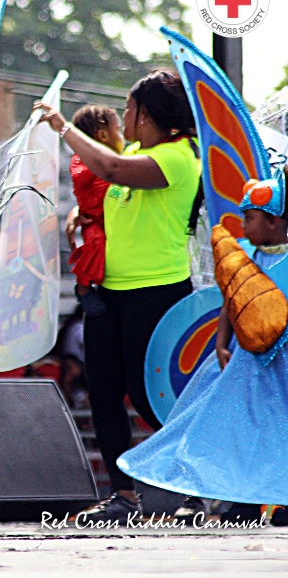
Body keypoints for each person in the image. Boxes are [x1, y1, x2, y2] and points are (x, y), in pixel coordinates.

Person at [35, 69, 200, 524]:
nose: (122, 117)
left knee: (153, 398)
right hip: (109, 293)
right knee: (104, 393)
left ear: (146, 114)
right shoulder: (134, 150)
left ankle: (193, 491)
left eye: (128, 108)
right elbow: (102, 189)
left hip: (159, 292)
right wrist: (81, 222)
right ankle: (123, 496)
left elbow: (107, 168)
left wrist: (64, 127)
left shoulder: (180, 158)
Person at [118, 172, 288, 525]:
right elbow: (231, 300)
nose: (243, 225)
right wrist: (221, 342)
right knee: (233, 431)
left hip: (280, 367)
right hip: (243, 366)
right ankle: (239, 501)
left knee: (277, 433)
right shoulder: (248, 256)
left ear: (273, 222)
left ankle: (277, 500)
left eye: (249, 218)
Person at [67, 105, 124, 316]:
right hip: (93, 220)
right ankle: (83, 288)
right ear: (102, 135)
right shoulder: (84, 160)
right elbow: (82, 177)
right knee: (94, 245)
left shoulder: (120, 160)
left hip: (111, 219)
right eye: (118, 131)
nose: (122, 137)